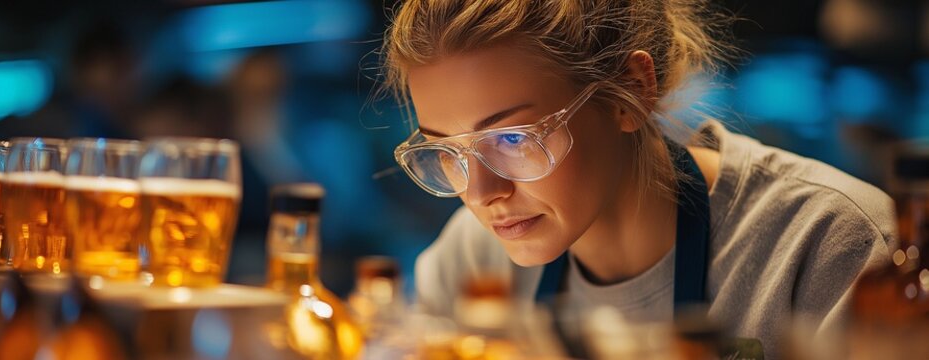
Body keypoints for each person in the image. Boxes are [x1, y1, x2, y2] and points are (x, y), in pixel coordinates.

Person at [380, 0, 896, 357]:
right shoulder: (473, 261)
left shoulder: (827, 246)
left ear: (632, 90)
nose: (481, 195)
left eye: (513, 139)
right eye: (448, 150)